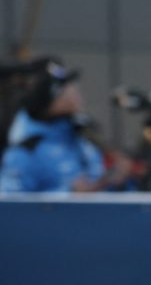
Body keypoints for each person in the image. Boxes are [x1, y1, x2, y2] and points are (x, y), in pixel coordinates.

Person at [0, 57, 131, 193]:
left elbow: (99, 186)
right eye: (65, 88)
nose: (74, 91)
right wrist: (68, 193)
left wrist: (117, 179)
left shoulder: (82, 138)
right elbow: (10, 200)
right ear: (51, 101)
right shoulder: (27, 151)